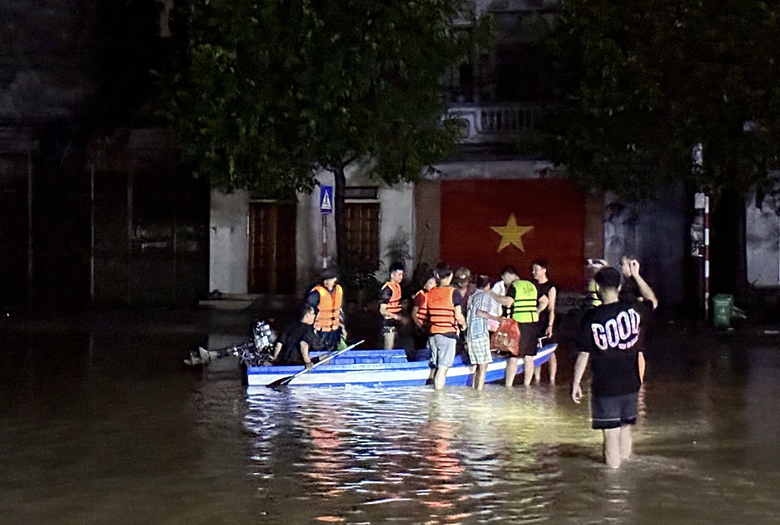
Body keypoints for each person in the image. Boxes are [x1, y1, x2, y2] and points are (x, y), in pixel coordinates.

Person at [571, 266, 654, 468]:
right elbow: (652, 300)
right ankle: (626, 473)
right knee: (625, 429)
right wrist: (636, 275)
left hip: (605, 384)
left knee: (610, 433)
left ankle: (613, 486)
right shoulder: (633, 309)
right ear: (619, 286)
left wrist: (576, 383)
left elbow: (583, 355)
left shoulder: (591, 318)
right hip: (631, 382)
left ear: (598, 288)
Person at [489, 266, 548, 387]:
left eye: (503, 278)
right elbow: (545, 301)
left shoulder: (514, 286)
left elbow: (508, 302)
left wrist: (491, 294)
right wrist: (536, 311)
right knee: (529, 356)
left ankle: (508, 386)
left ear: (508, 275)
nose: (504, 281)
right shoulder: (532, 285)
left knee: (513, 356)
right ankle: (527, 385)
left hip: (518, 324)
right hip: (532, 323)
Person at [426, 264, 467, 390]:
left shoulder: (431, 292)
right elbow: (458, 315)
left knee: (435, 366)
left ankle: (431, 396)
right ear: (450, 276)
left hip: (433, 334)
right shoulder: (453, 293)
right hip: (447, 334)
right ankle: (438, 399)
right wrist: (464, 325)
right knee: (443, 368)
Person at [619, 255, 658, 382]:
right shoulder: (625, 284)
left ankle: (639, 383)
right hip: (622, 325)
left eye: (623, 264)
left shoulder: (640, 283)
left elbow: (652, 301)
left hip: (636, 327)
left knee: (638, 352)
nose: (621, 267)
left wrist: (636, 275)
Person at [466, 275, 500, 390]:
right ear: (488, 286)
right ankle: (479, 391)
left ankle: (475, 389)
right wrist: (497, 318)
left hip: (471, 334)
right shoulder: (484, 296)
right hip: (479, 333)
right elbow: (479, 313)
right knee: (483, 364)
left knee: (477, 365)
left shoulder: (473, 296)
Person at [531, 258, 557, 385]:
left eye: (536, 269)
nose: (533, 272)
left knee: (550, 350)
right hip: (534, 321)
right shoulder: (532, 285)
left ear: (544, 270)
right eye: (533, 269)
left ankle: (552, 379)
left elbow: (551, 308)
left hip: (545, 320)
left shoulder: (550, 287)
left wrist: (550, 325)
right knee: (536, 348)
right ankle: (537, 379)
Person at [306, 268, 345, 352]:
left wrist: (342, 327)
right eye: (325, 280)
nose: (326, 282)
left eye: (329, 280)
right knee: (319, 352)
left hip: (334, 331)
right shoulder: (316, 293)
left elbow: (340, 310)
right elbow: (309, 311)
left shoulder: (339, 290)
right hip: (320, 331)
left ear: (335, 279)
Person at [379, 262, 405, 350]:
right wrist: (395, 316)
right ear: (392, 275)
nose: (401, 277)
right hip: (388, 324)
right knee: (388, 349)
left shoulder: (397, 287)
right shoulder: (387, 289)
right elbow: (382, 310)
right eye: (399, 274)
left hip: (396, 324)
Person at [411, 270, 437, 350]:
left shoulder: (434, 295)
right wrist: (420, 326)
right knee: (420, 348)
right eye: (429, 283)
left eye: (432, 283)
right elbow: (413, 314)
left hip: (430, 328)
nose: (430, 285)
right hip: (420, 328)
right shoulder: (421, 296)